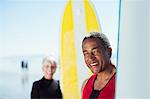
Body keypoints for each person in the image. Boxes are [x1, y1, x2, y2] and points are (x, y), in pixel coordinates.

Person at [81, 32, 116, 99]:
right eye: (86, 53)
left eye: (95, 51)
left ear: (109, 52)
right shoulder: (85, 84)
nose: (90, 58)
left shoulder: (121, 82)